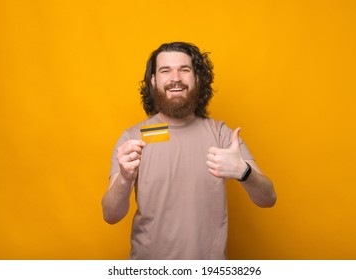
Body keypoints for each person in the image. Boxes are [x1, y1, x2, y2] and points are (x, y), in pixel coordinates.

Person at [101, 42, 276, 260]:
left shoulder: (221, 135)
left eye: (184, 70)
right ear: (153, 81)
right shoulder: (133, 139)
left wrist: (244, 172)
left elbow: (268, 198)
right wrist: (125, 179)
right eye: (165, 70)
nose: (176, 78)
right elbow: (110, 215)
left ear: (197, 79)